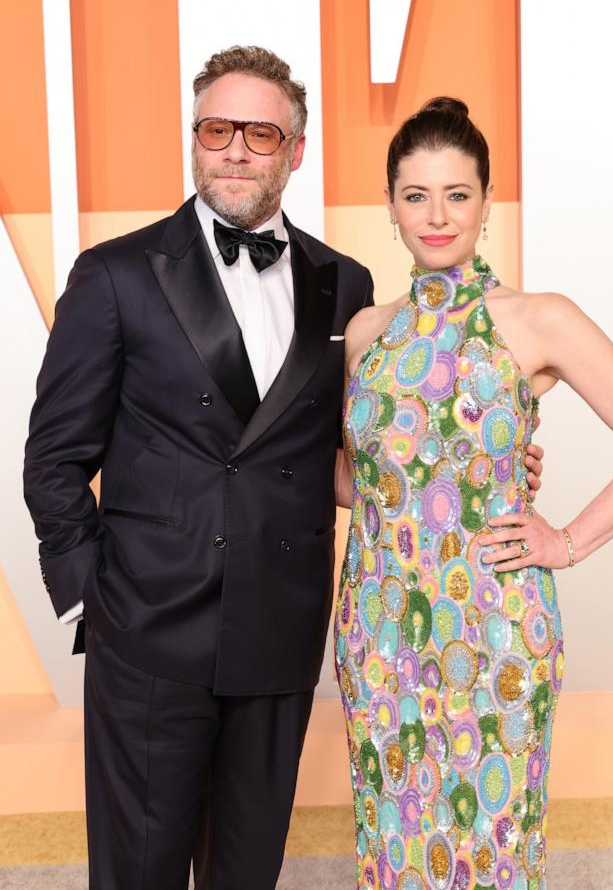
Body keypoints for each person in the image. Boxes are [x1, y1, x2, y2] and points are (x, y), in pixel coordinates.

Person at [23, 44, 382, 890]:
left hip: (281, 624)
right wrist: (91, 598)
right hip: (147, 629)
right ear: (194, 139)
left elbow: (358, 448)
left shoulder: (347, 283)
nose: (234, 150)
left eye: (260, 134)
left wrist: (460, 468)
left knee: (246, 874)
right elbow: (53, 456)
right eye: (217, 129)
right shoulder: (115, 273)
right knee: (139, 875)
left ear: (297, 150)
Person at [334, 97, 613, 890]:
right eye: (416, 194)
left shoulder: (537, 320)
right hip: (379, 629)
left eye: (457, 194)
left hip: (494, 628)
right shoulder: (366, 332)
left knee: (490, 852)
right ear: (390, 205)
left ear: (488, 204)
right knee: (393, 847)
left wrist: (564, 540)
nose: (436, 215)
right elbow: (356, 484)